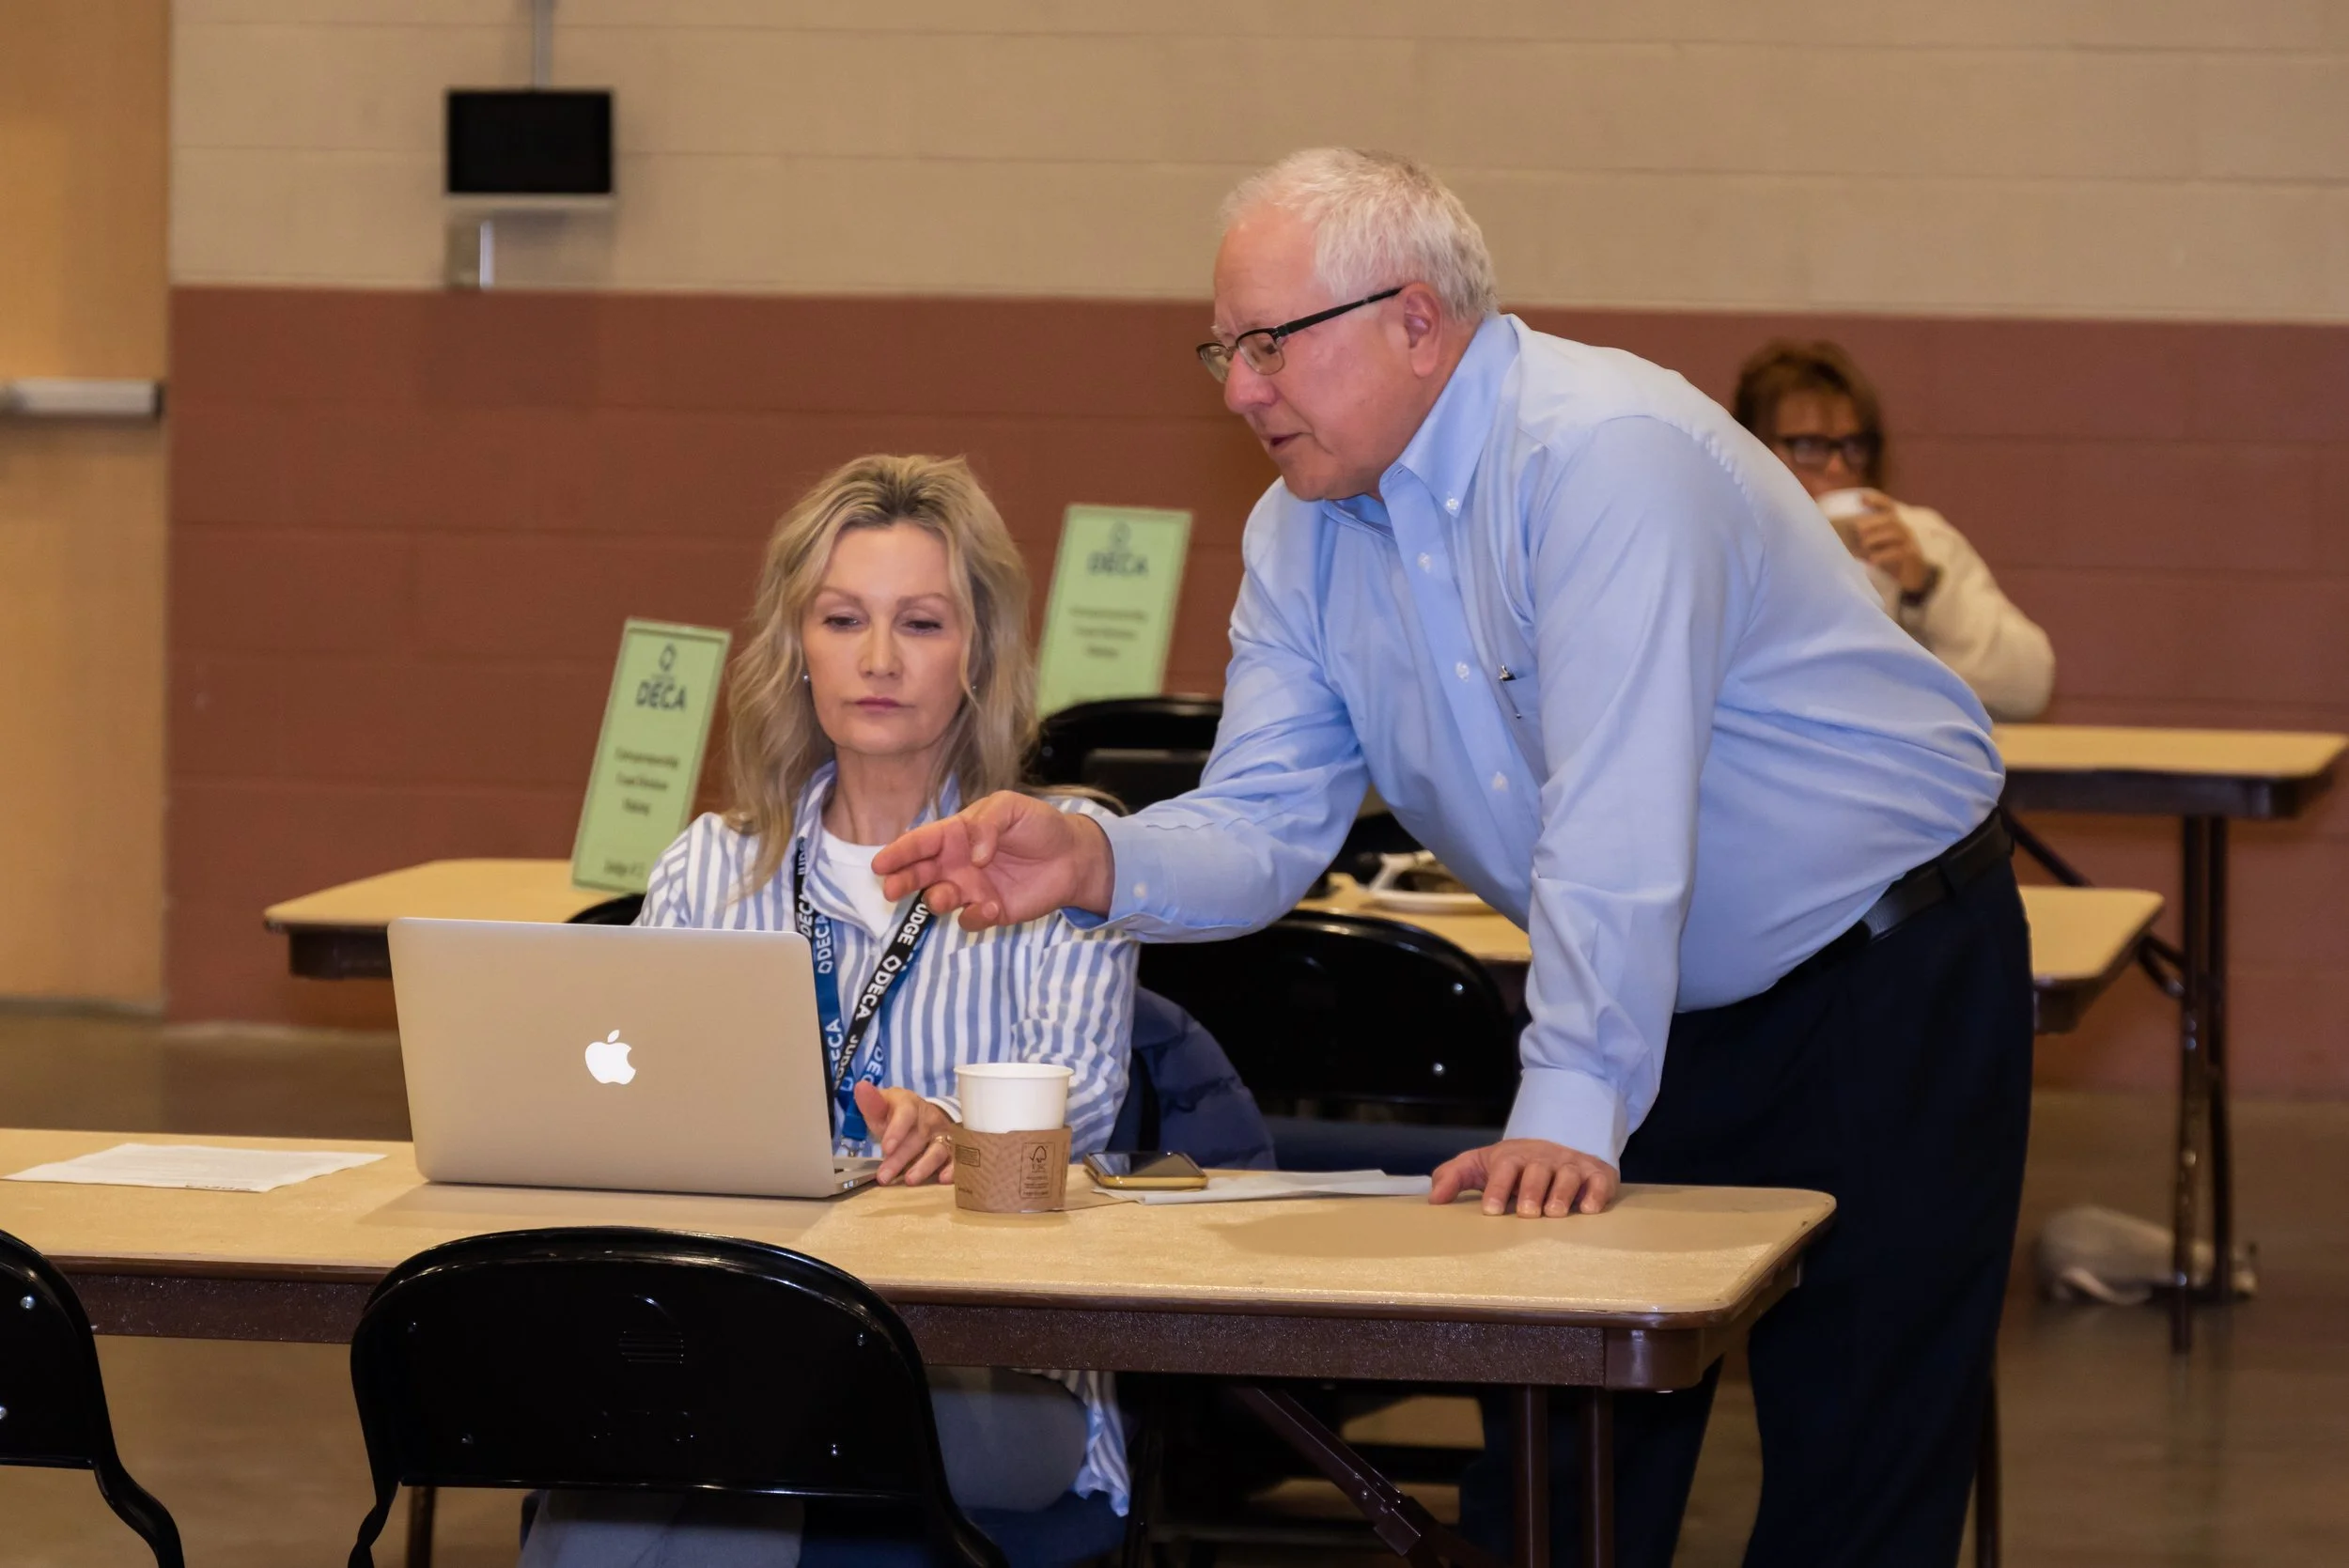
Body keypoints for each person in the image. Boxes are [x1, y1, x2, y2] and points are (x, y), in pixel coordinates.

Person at [876, 150, 2032, 1567]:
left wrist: (1568, 1107)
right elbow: (1264, 822)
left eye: (1268, 345)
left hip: (1881, 967)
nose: (1237, 389)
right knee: (1558, 1471)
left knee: (1854, 1479)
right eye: (1220, 349)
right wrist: (1092, 853)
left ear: (1416, 322)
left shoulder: (1608, 457)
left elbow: (1617, 816)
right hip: (1637, 998)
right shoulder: (1296, 535)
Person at [521, 455, 1136, 1565]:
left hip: (994, 1371)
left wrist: (964, 1129)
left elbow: (1083, 1098)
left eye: (923, 623)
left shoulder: (1060, 853)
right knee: (648, 1441)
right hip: (742, 1318)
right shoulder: (709, 868)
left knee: (679, 1424)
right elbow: (633, 1105)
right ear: (795, 648)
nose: (880, 659)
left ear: (980, 652)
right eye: (844, 618)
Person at [1735, 338, 2056, 721]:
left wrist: (1925, 592)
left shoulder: (1918, 540)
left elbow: (2028, 688)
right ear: (1752, 447)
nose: (1837, 468)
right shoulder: (1720, 543)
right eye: (1809, 446)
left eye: (1853, 445)